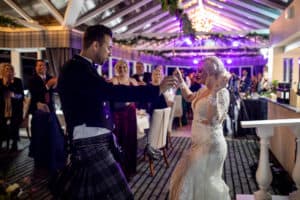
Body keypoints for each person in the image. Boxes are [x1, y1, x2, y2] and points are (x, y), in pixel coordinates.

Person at [52, 24, 177, 200]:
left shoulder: (84, 67)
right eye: (109, 47)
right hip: (90, 143)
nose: (110, 52)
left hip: (96, 140)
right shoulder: (76, 68)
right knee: (122, 195)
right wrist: (155, 89)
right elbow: (113, 91)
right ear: (95, 45)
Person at [169, 56, 231, 200]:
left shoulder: (222, 92)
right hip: (198, 144)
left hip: (211, 146)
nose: (197, 73)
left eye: (200, 71)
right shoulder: (204, 90)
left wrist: (215, 92)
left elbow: (212, 119)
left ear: (209, 73)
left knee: (202, 182)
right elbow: (190, 97)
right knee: (194, 182)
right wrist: (181, 81)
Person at [28, 60, 65, 172]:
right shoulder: (32, 80)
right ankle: (39, 161)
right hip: (38, 111)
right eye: (39, 65)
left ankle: (51, 158)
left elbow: (56, 90)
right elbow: (36, 94)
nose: (42, 67)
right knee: (39, 136)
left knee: (52, 134)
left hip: (50, 109)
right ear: (35, 68)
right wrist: (48, 85)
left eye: (43, 65)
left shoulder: (50, 77)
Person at [110, 60, 138, 180]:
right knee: (121, 141)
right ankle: (121, 170)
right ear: (117, 68)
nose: (122, 69)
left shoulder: (133, 81)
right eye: (120, 67)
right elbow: (115, 97)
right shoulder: (115, 80)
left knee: (131, 140)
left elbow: (138, 95)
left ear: (128, 68)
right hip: (119, 115)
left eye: (124, 66)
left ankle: (130, 168)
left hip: (131, 114)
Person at [0, 63, 24, 151]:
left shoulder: (17, 81)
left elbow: (21, 96)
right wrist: (5, 84)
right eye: (6, 69)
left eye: (10, 70)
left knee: (14, 123)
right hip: (2, 107)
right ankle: (2, 141)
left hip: (15, 108)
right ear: (2, 71)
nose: (8, 71)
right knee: (1, 123)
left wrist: (14, 95)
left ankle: (14, 142)